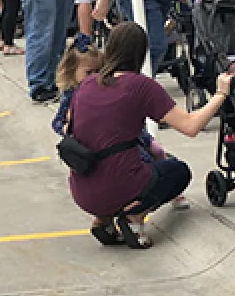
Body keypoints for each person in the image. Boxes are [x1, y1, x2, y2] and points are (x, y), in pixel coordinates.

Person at [67, 22, 229, 249]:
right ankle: (134, 216)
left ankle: (104, 219)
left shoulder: (86, 85)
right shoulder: (140, 86)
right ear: (141, 53)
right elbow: (190, 126)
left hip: (82, 191)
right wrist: (220, 94)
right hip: (121, 184)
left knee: (115, 157)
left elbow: (70, 128)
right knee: (178, 171)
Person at [51, 33, 193, 211]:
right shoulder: (74, 93)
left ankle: (164, 191)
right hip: (96, 144)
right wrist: (67, 129)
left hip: (125, 134)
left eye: (98, 70)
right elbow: (57, 121)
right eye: (88, 72)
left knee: (156, 151)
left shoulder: (104, 85)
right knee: (126, 164)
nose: (94, 76)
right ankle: (136, 206)